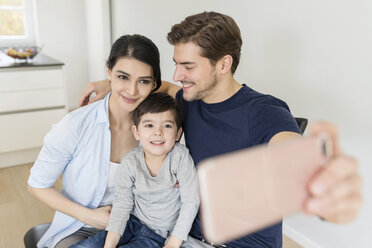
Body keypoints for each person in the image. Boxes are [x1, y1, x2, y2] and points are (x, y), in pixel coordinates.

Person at [79, 11, 362, 248]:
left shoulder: (264, 111)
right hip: (187, 234)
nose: (178, 75)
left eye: (188, 66)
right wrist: (111, 85)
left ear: (224, 64)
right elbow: (163, 86)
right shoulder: (189, 99)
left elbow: (290, 148)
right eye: (177, 64)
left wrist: (320, 176)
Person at [27, 34, 163, 248]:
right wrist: (89, 216)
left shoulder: (158, 127)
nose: (132, 91)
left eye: (143, 81)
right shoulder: (74, 125)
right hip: (81, 226)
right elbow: (37, 185)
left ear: (155, 83)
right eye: (123, 77)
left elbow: (182, 91)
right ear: (109, 72)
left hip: (136, 224)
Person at [70, 93, 199, 248]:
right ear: (136, 132)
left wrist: (174, 242)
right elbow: (122, 204)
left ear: (178, 133)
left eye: (167, 125)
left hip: (158, 234)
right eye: (149, 125)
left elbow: (190, 201)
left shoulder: (180, 157)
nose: (158, 132)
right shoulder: (131, 161)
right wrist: (109, 245)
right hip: (132, 222)